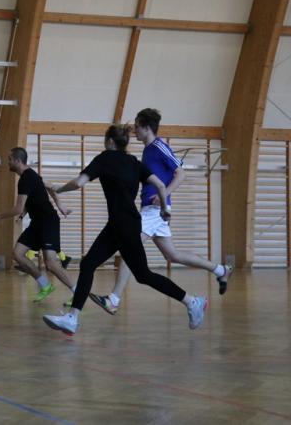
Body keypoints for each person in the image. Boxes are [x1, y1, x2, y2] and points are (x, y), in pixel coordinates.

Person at [42, 125, 208, 336]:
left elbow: (79, 182)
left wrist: (59, 188)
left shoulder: (105, 158)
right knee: (89, 263)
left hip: (125, 226)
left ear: (110, 141)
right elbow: (160, 185)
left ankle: (192, 301)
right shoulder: (134, 163)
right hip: (120, 224)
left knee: (143, 274)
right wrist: (165, 209)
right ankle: (72, 318)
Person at [91, 108, 232, 315]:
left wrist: (164, 195)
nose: (134, 130)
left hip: (155, 210)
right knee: (172, 255)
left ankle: (114, 299)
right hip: (151, 209)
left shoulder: (159, 147)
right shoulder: (147, 150)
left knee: (129, 246)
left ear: (147, 127)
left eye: (137, 126)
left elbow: (180, 173)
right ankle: (220, 269)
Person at [0, 147, 76, 303]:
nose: (8, 162)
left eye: (10, 159)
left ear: (18, 161)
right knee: (17, 254)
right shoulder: (30, 175)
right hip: (37, 223)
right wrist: (59, 204)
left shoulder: (26, 179)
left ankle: (77, 293)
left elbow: (18, 208)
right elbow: (48, 187)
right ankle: (45, 285)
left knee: (51, 263)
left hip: (48, 222)